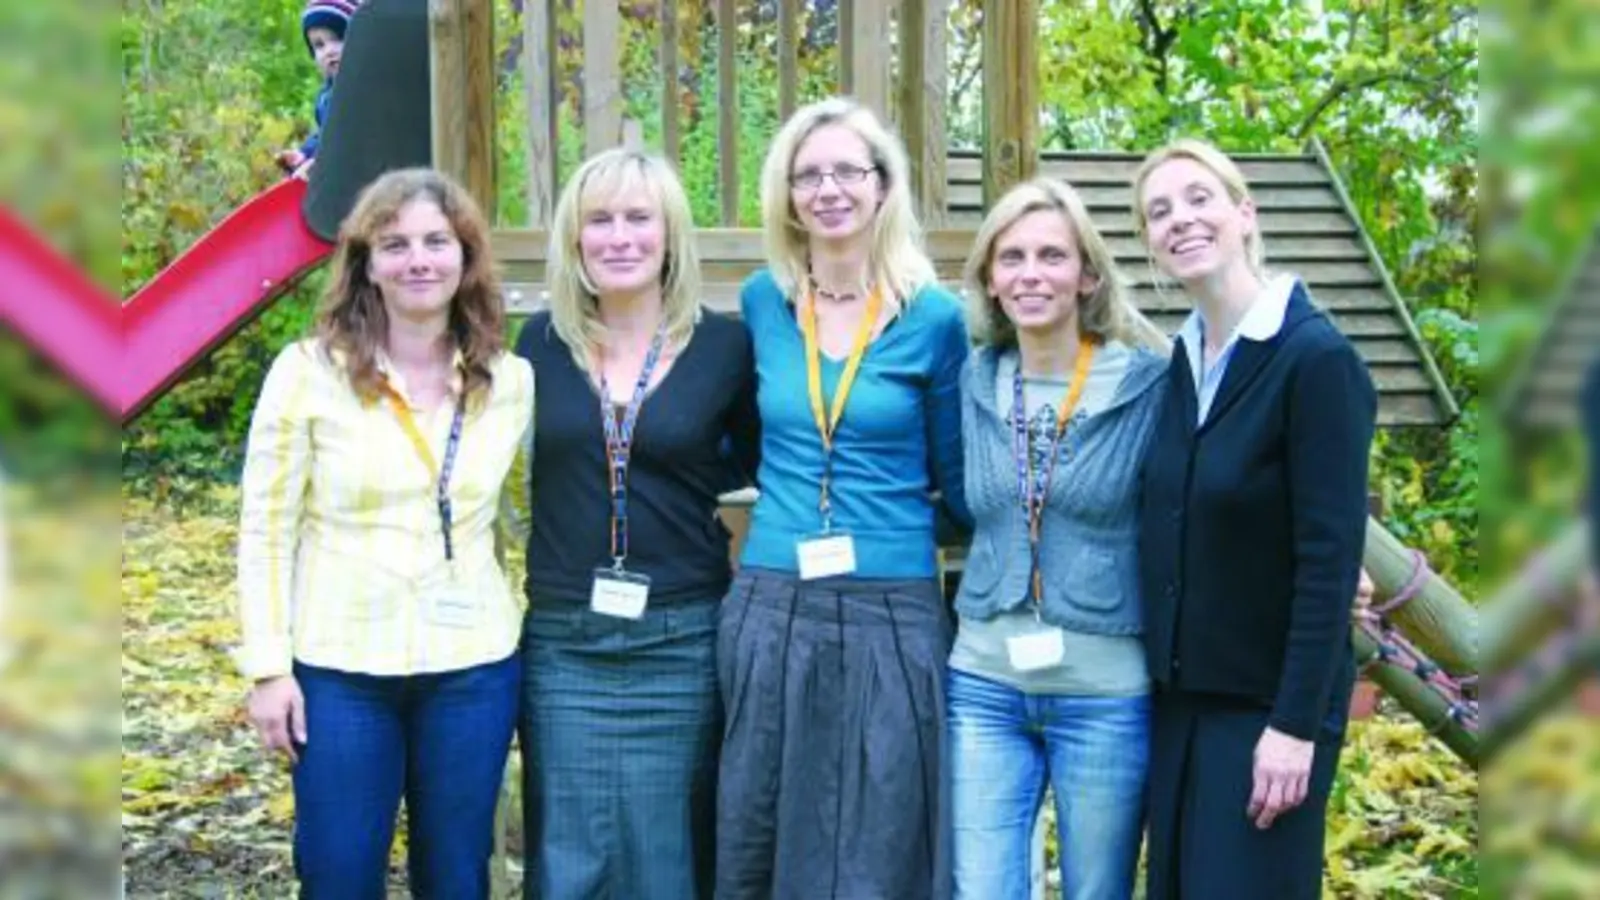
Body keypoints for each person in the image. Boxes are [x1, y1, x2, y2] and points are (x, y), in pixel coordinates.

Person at [235, 167, 531, 899]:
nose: (418, 260)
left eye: (437, 241)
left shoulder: (511, 379)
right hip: (340, 668)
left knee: (457, 875)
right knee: (337, 873)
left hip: (472, 666)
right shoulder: (306, 373)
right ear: (365, 262)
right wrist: (268, 668)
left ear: (466, 256)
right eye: (394, 244)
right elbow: (265, 528)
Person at [715, 96, 971, 900]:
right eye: (809, 174)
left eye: (847, 172)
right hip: (771, 598)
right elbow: (744, 438)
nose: (829, 189)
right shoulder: (763, 303)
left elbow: (960, 480)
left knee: (884, 833)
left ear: (884, 187)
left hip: (892, 607)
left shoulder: (934, 318)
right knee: (760, 819)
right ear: (787, 195)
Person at [509, 147, 759, 900]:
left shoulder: (726, 345)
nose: (620, 237)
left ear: (670, 234)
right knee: (568, 850)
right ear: (575, 240)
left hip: (681, 632)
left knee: (669, 850)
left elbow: (750, 459)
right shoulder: (540, 345)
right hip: (566, 638)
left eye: (638, 218)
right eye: (600, 220)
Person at [1132, 138, 1377, 900]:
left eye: (1199, 199)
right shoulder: (1182, 365)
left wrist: (1295, 726)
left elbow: (1329, 559)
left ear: (1245, 213)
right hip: (1180, 703)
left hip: (1267, 714)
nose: (1180, 220)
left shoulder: (1315, 361)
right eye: (1159, 211)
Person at [947, 178, 1168, 900]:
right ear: (990, 278)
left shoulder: (1150, 386)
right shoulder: (974, 380)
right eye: (1011, 258)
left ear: (1087, 275)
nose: (1031, 274)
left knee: (1095, 892)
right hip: (983, 683)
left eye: (1051, 255)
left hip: (1103, 694)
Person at [276, 0, 362, 178]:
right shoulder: (327, 96)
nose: (329, 51)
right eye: (319, 45)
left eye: (339, 39)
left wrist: (321, 163)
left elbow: (352, 138)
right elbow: (324, 136)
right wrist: (304, 154)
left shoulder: (366, 89)